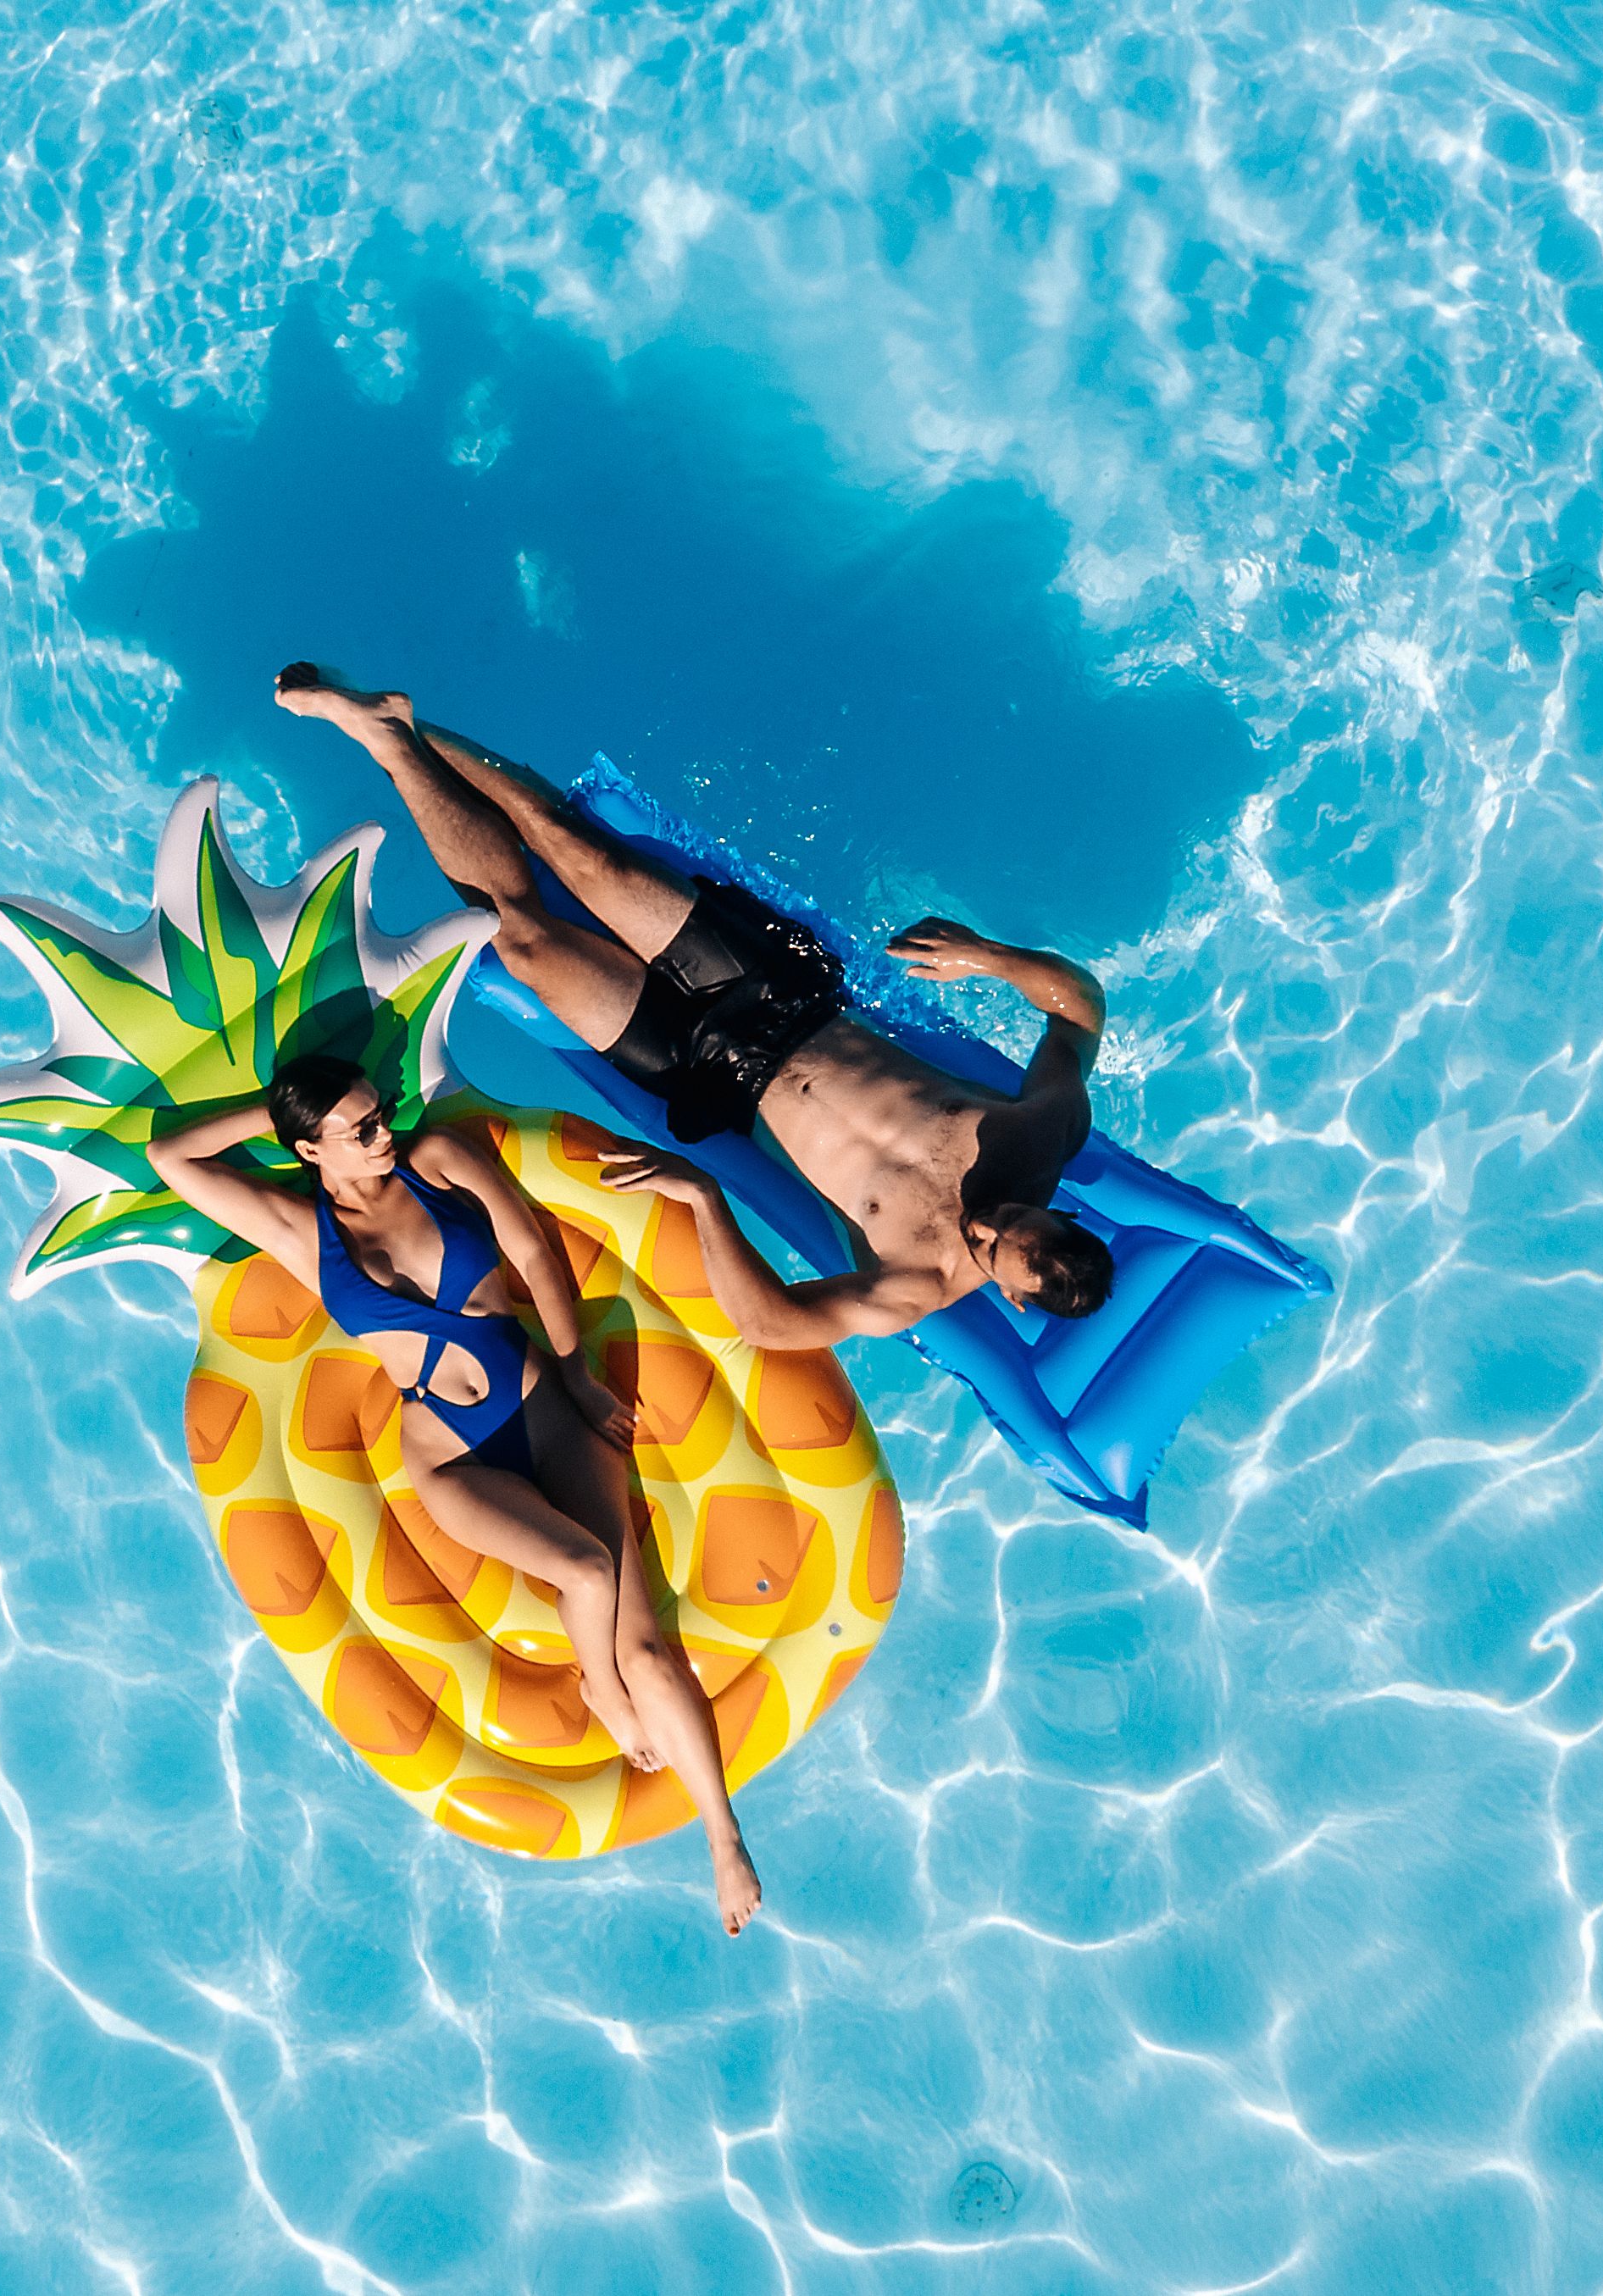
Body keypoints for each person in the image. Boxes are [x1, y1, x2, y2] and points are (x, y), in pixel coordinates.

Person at [274, 665, 1114, 1346]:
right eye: (1012, 1219)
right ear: (1052, 1211)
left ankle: (387, 742)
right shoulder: (1039, 1135)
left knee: (522, 939)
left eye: (993, 1250)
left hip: (710, 1077)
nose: (986, 1226)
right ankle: (405, 719)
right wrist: (988, 958)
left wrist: (705, 1200)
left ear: (1010, 1296)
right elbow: (1080, 1009)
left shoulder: (914, 1286)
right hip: (781, 996)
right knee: (575, 848)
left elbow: (771, 1326)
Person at [148, 1051, 764, 1934]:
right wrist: (280, 1112)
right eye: (360, 1128)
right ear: (310, 1149)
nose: (383, 1133)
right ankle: (600, 1688)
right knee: (586, 1572)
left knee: (647, 1647)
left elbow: (531, 1251)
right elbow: (171, 1157)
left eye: (379, 1112)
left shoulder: (434, 1161)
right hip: (449, 1455)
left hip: (545, 1409)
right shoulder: (300, 1231)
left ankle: (723, 1838)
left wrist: (577, 1374)